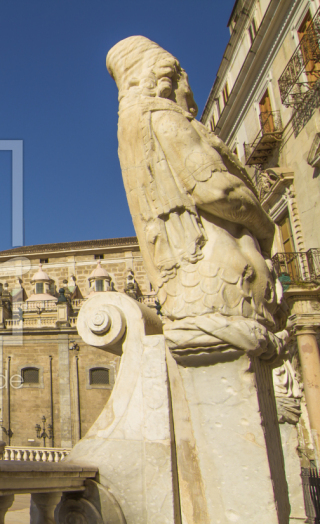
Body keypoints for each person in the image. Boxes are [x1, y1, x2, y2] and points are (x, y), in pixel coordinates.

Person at [107, 36, 286, 357]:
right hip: (225, 281)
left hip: (203, 284)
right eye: (183, 82)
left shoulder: (130, 127)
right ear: (165, 78)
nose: (192, 102)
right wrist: (267, 226)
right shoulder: (163, 117)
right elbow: (218, 191)